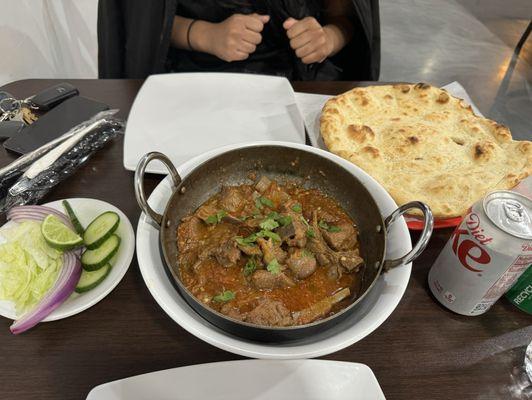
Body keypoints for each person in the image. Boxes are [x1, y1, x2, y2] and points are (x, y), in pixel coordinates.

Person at [98, 0, 380, 80]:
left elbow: (346, 19)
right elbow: (142, 23)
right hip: (190, 79)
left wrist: (326, 39)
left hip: (297, 83)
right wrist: (204, 35)